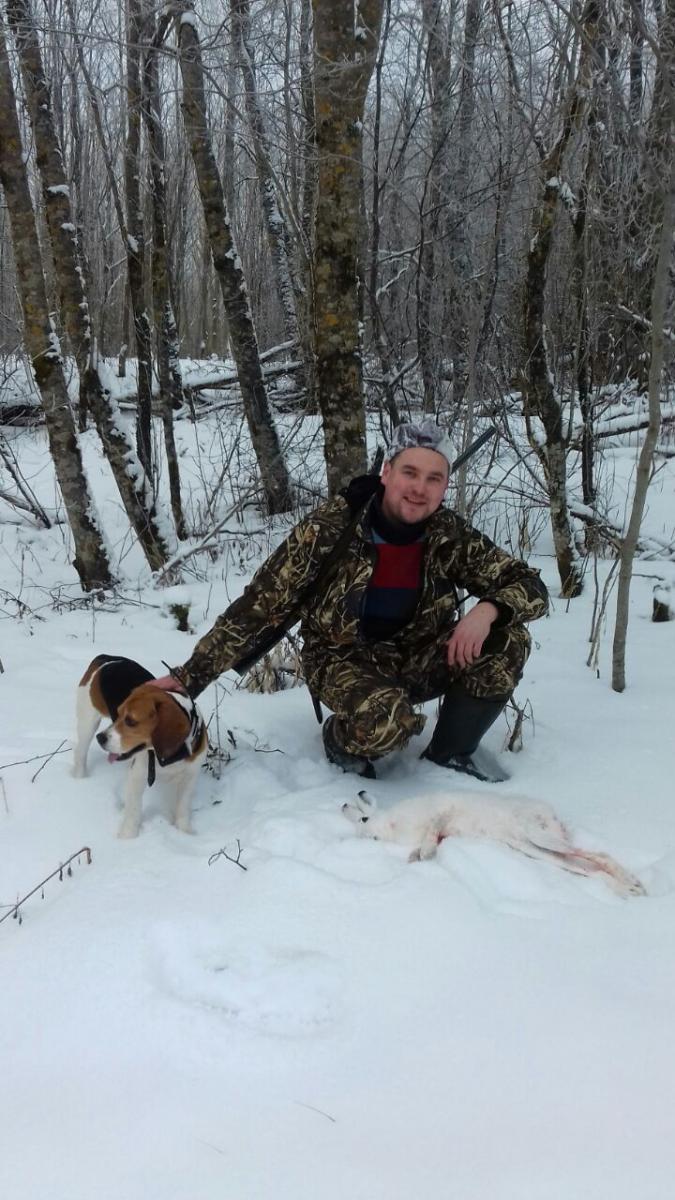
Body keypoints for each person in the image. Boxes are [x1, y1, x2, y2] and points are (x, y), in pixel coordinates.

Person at [156, 419, 549, 783]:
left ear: (445, 486)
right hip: (342, 660)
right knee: (385, 721)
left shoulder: (448, 534)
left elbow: (528, 584)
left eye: (434, 478)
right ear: (387, 472)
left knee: (507, 640)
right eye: (410, 473)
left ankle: (450, 755)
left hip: (417, 656)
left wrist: (487, 610)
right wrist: (190, 677)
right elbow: (259, 605)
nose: (420, 488)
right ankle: (340, 739)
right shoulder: (331, 528)